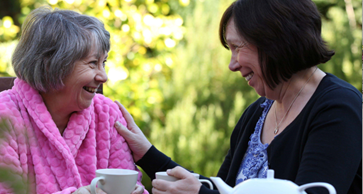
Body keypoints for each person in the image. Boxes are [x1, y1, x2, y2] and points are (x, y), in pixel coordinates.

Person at [113, 0, 362, 193]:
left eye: (237, 47)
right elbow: (221, 188)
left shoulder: (338, 108)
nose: (232, 65)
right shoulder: (258, 113)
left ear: (275, 41)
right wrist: (145, 152)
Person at [0, 7, 147, 194]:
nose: (103, 77)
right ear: (53, 65)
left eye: (104, 63)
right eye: (93, 63)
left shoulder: (107, 114)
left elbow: (131, 184)